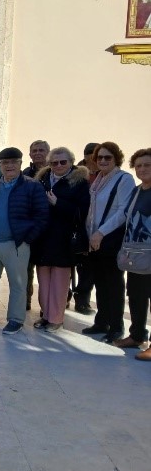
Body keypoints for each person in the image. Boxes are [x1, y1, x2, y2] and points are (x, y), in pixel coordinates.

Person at [0, 147, 49, 335]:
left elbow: (42, 216)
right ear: (0, 165)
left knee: (18, 284)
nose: (9, 166)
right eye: (5, 162)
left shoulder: (32, 186)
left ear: (21, 163)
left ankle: (15, 319)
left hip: (16, 244)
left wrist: (27, 238)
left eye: (14, 162)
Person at [81, 142, 136, 343]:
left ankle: (116, 326)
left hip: (111, 238)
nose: (103, 160)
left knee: (113, 283)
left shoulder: (124, 179)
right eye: (100, 157)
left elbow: (123, 211)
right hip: (95, 240)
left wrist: (101, 233)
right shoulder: (99, 180)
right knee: (100, 282)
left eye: (108, 157)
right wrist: (90, 235)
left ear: (116, 159)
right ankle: (101, 322)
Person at [31, 148, 90, 333]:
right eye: (54, 163)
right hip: (43, 238)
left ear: (71, 162)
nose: (58, 166)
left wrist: (58, 203)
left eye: (63, 162)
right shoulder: (42, 179)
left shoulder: (79, 183)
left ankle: (56, 319)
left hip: (64, 239)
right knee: (43, 280)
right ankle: (46, 315)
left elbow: (83, 211)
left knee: (59, 281)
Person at [114, 149, 151, 359]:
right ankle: (137, 335)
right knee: (136, 296)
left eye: (147, 165)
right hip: (136, 254)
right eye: (139, 166)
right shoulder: (137, 191)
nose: (142, 169)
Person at [72, 142, 100, 315]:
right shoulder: (76, 173)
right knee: (71, 266)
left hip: (95, 228)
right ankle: (67, 297)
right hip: (76, 227)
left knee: (88, 269)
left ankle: (82, 301)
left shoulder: (107, 175)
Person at [23, 140, 51, 310]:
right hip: (28, 228)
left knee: (47, 271)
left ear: (48, 153)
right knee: (26, 268)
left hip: (49, 230)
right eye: (34, 151)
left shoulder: (54, 172)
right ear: (30, 154)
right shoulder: (25, 173)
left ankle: (48, 307)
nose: (38, 153)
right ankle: (25, 301)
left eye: (41, 150)